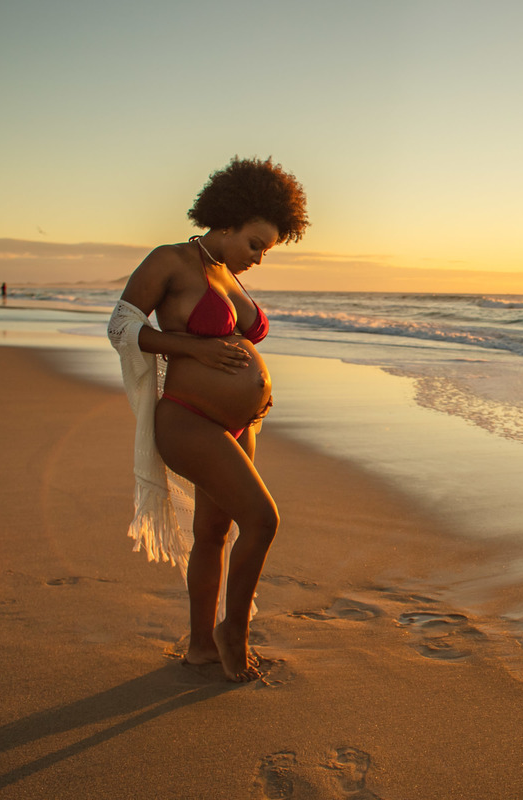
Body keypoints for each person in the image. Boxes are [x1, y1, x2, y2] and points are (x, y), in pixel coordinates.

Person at [107, 157, 308, 681]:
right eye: (255, 244)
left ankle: (199, 645)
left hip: (242, 425)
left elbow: (238, 344)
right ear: (225, 223)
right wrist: (189, 350)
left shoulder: (229, 275)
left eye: (266, 249)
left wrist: (257, 395)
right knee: (263, 521)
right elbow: (121, 326)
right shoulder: (170, 261)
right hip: (188, 418)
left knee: (214, 533)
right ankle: (231, 632)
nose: (259, 258)